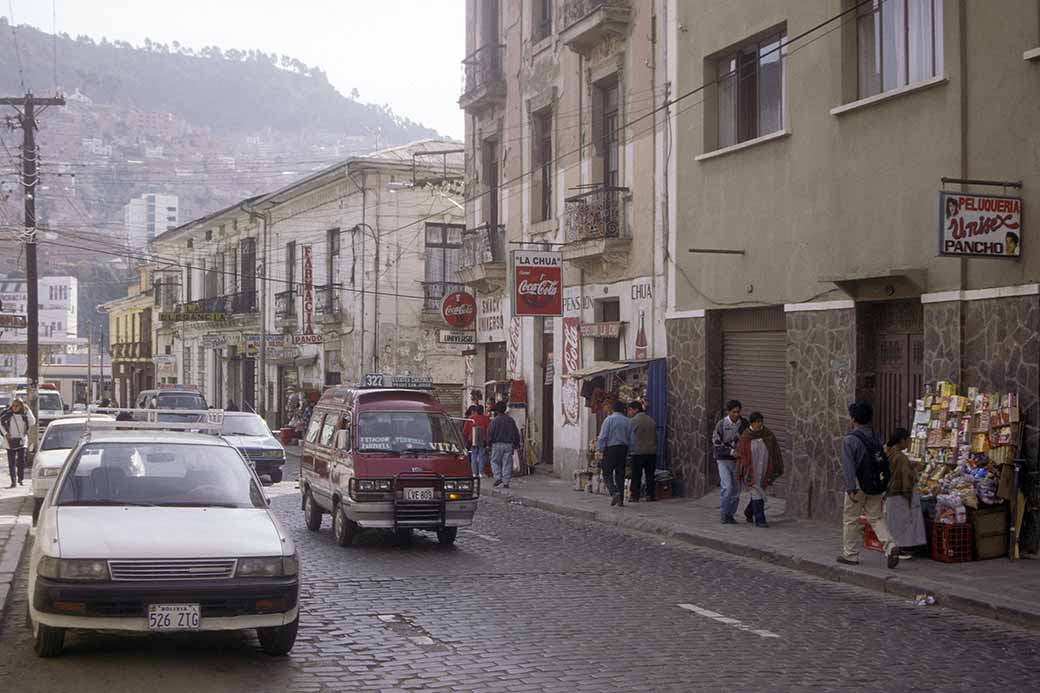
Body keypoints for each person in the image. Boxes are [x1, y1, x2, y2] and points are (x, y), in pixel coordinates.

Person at [839, 400, 900, 569]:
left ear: (853, 419)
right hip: (876, 484)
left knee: (851, 519)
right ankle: (890, 546)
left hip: (858, 486)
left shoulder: (850, 440)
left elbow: (848, 466)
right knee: (876, 517)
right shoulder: (876, 437)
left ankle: (850, 554)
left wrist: (850, 487)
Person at [735, 412, 784, 528]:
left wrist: (777, 466)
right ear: (752, 423)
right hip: (751, 470)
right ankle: (760, 519)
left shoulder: (767, 434)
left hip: (765, 468)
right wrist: (742, 471)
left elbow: (775, 451)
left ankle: (749, 511)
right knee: (757, 492)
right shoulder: (746, 437)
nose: (760, 424)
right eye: (757, 422)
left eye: (761, 421)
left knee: (760, 491)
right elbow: (741, 455)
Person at [884, 428, 927, 559]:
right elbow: (905, 477)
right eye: (908, 440)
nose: (909, 443)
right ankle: (899, 549)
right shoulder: (900, 457)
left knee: (894, 523)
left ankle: (892, 548)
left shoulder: (889, 452)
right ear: (902, 441)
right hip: (899, 494)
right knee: (902, 524)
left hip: (891, 493)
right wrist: (916, 470)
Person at [712, 400, 748, 524]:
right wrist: (732, 452)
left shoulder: (744, 424)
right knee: (727, 487)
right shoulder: (721, 424)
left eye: (738, 412)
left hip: (738, 462)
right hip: (723, 459)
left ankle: (730, 514)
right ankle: (723, 512)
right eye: (734, 412)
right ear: (728, 412)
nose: (736, 414)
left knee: (736, 490)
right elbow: (716, 443)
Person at [597, 400, 633, 507]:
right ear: (623, 410)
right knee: (620, 474)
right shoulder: (628, 421)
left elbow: (603, 436)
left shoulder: (609, 419)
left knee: (607, 473)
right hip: (623, 449)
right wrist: (630, 450)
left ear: (613, 409)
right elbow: (632, 438)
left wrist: (600, 449)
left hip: (611, 449)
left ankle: (614, 492)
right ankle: (620, 500)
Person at [0, 398, 35, 488]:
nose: (15, 407)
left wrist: (28, 410)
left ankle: (20, 478)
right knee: (11, 462)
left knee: (21, 461)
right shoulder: (7, 414)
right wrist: (6, 433)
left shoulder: (25, 415)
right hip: (10, 441)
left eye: (17, 406)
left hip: (21, 441)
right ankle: (13, 481)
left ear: (21, 406)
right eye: (13, 406)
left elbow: (32, 422)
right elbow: (0, 423)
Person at [627, 401, 657, 502]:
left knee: (636, 475)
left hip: (638, 452)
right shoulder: (651, 420)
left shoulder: (633, 421)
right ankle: (650, 495)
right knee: (650, 475)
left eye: (630, 410)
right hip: (651, 452)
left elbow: (629, 436)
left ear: (636, 410)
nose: (629, 412)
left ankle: (635, 496)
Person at [487, 401, 520, 488]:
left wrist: (489, 444)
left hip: (497, 444)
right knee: (507, 463)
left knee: (494, 461)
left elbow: (490, 433)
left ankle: (497, 477)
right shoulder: (510, 420)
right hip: (508, 444)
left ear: (496, 410)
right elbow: (516, 433)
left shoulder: (494, 421)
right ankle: (506, 482)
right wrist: (516, 444)